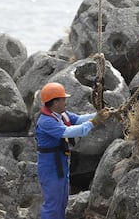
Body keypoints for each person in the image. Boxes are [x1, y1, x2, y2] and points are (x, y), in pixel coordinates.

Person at [35, 82, 112, 219]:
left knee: (62, 201)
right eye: (63, 99)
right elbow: (69, 131)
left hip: (61, 162)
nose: (66, 101)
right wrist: (94, 122)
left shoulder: (61, 114)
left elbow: (78, 119)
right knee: (53, 204)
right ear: (55, 102)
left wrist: (98, 115)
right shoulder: (46, 121)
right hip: (50, 165)